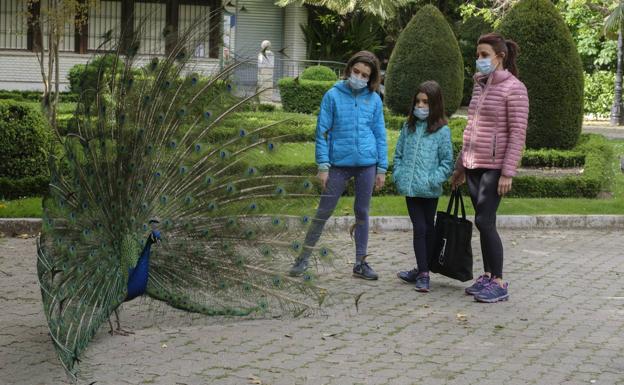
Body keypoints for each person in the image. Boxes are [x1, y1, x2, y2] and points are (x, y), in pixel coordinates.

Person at [289, 51, 388, 280]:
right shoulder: (332, 95)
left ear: (370, 78)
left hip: (367, 165)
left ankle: (360, 263)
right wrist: (323, 166)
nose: (359, 77)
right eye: (356, 72)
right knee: (323, 211)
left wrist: (381, 169)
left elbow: (380, 135)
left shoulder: (373, 99)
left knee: (362, 213)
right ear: (349, 70)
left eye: (365, 75)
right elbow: (322, 131)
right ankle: (302, 259)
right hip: (338, 165)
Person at [450, 32, 529, 303]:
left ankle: (499, 281)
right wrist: (460, 166)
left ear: (500, 56)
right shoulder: (479, 85)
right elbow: (471, 130)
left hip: (495, 166)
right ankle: (486, 275)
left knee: (485, 220)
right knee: (483, 222)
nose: (479, 60)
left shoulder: (514, 88)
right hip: (474, 163)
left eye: (484, 55)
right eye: (478, 55)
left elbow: (517, 133)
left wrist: (508, 172)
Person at [394, 81, 454, 292]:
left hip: (429, 191)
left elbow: (447, 162)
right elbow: (398, 154)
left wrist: (432, 180)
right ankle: (424, 274)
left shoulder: (442, 131)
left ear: (435, 104)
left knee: (429, 228)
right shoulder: (407, 127)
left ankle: (421, 268)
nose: (420, 105)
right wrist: (399, 175)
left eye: (425, 102)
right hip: (410, 189)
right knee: (420, 228)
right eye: (418, 101)